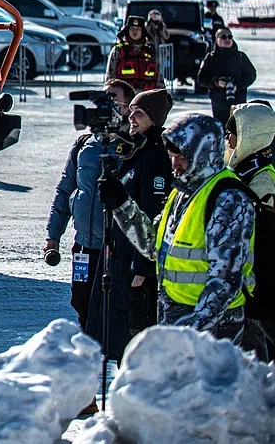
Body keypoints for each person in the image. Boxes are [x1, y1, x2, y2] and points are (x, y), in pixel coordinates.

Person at [101, 113, 256, 342]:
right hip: (174, 316)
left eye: (182, 157)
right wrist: (122, 205)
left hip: (213, 328)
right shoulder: (182, 192)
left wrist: (191, 330)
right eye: (172, 156)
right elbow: (153, 246)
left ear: (203, 152)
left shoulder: (228, 198)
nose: (175, 165)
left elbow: (225, 281)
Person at [85, 88, 175, 361]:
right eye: (132, 111)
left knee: (127, 330)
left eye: (140, 113)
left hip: (134, 257)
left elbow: (152, 213)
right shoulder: (134, 148)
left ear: (155, 119)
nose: (132, 118)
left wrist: (142, 266)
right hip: (118, 251)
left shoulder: (157, 156)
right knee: (104, 326)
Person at [47, 80, 136, 331]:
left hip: (115, 246)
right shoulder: (84, 144)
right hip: (84, 244)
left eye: (114, 98)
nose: (108, 104)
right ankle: (90, 352)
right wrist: (53, 235)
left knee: (112, 305)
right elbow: (65, 189)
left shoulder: (132, 146)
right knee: (81, 299)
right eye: (104, 98)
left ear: (128, 106)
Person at [224, 103, 275, 360]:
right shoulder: (243, 170)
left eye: (232, 132)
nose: (227, 139)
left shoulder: (262, 178)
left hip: (262, 288)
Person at [196, 28, 256, 123]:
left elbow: (251, 75)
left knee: (238, 132)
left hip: (238, 102)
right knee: (222, 131)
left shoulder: (240, 57)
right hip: (219, 103)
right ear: (216, 39)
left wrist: (238, 85)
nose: (227, 39)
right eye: (223, 37)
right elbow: (201, 78)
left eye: (230, 36)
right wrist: (216, 82)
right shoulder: (210, 58)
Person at [106, 16, 160, 92]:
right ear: (127, 30)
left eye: (138, 29)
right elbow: (110, 75)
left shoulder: (151, 51)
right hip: (125, 96)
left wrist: (162, 96)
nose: (135, 32)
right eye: (132, 29)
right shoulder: (118, 50)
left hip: (147, 96)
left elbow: (159, 77)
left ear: (143, 31)